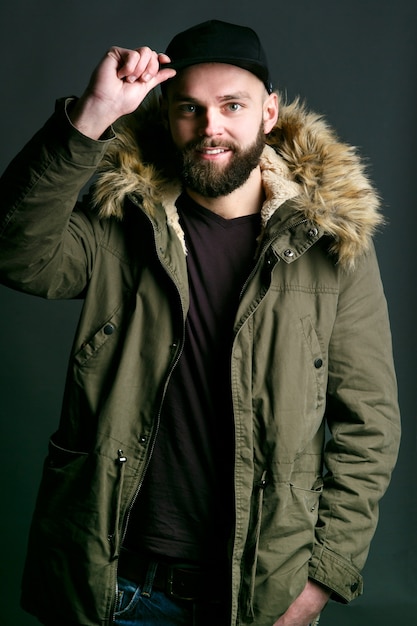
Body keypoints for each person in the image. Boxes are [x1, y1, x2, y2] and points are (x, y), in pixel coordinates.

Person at [0, 18, 400, 626]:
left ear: (268, 113)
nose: (210, 126)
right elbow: (16, 254)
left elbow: (368, 423)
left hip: (259, 592)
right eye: (189, 108)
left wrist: (321, 578)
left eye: (231, 105)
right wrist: (92, 115)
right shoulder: (119, 224)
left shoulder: (332, 245)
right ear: (167, 115)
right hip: (117, 582)